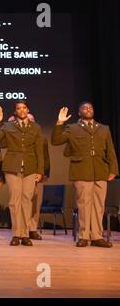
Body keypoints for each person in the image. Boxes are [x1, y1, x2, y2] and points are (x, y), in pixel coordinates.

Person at [51, 102, 118, 248]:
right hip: (82, 170)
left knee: (99, 206)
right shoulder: (72, 128)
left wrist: (113, 170)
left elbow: (110, 151)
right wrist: (60, 123)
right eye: (84, 108)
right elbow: (56, 141)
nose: (88, 109)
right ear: (79, 112)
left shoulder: (103, 129)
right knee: (84, 205)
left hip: (101, 171)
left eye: (91, 107)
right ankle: (84, 236)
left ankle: (97, 236)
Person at [0, 102, 44, 246]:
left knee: (27, 200)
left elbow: (39, 151)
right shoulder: (8, 126)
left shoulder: (36, 127)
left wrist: (40, 171)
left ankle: (25, 234)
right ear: (15, 112)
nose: (21, 110)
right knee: (15, 201)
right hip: (12, 167)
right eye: (18, 108)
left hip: (30, 167)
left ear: (28, 110)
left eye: (24, 108)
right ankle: (16, 234)